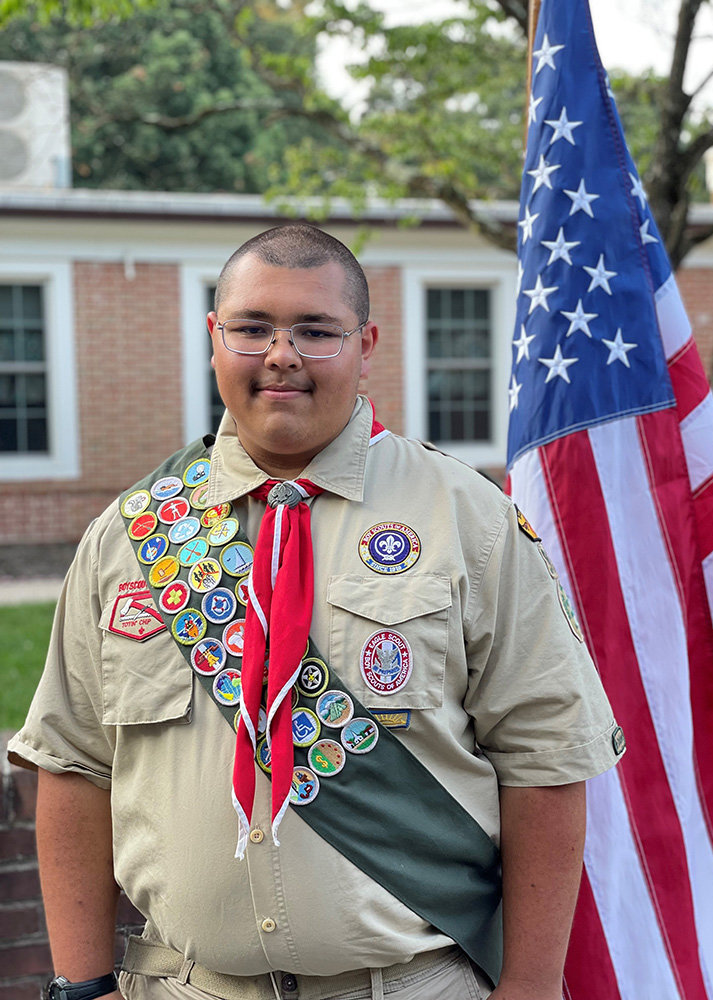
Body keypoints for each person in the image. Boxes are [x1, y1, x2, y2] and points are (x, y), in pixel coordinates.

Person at [8, 224, 625, 1000]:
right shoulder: (130, 536)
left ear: (366, 344)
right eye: (253, 327)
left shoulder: (470, 521)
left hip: (411, 985)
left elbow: (546, 763)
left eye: (315, 330)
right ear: (214, 336)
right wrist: (80, 984)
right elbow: (71, 765)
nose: (281, 354)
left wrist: (529, 990)